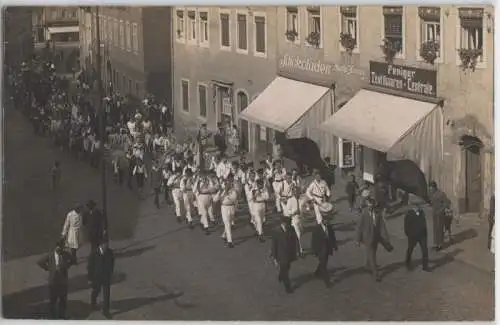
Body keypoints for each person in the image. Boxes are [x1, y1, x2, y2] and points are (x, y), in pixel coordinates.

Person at [356, 198, 393, 282]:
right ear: (366, 205)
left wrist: (385, 237)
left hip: (376, 237)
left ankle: (368, 265)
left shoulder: (377, 213)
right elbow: (359, 227)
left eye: (371, 205)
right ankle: (376, 274)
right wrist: (357, 239)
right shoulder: (364, 214)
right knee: (372, 256)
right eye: (368, 205)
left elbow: (382, 226)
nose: (370, 206)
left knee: (373, 253)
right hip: (367, 238)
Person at [37, 239, 74, 319]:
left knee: (63, 301)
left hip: (63, 282)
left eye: (61, 248)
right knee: (53, 301)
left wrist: (66, 266)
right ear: (56, 247)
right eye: (58, 248)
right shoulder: (50, 255)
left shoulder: (65, 254)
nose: (59, 250)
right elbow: (40, 262)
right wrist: (48, 268)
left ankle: (61, 316)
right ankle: (53, 318)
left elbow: (72, 260)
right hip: (53, 282)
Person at [270, 216, 299, 294]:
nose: (288, 225)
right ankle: (288, 287)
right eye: (287, 224)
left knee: (287, 267)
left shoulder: (291, 229)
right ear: (283, 223)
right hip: (281, 255)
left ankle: (281, 275)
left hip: (289, 253)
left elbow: (295, 240)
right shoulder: (276, 231)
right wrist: (274, 257)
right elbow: (274, 245)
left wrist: (297, 250)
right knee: (286, 271)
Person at [310, 215, 338, 287]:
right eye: (326, 220)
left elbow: (332, 237)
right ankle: (327, 282)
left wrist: (335, 246)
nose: (328, 222)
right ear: (322, 220)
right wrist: (314, 251)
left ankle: (317, 273)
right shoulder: (317, 229)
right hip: (320, 250)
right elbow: (314, 241)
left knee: (324, 263)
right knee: (324, 266)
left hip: (327, 249)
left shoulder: (329, 227)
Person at [90, 241, 114, 319]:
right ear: (101, 245)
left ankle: (106, 310)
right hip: (97, 277)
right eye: (105, 245)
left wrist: (110, 272)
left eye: (107, 245)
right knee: (96, 290)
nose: (106, 246)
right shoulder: (94, 253)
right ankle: (93, 301)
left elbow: (112, 263)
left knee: (107, 293)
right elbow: (90, 266)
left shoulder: (110, 252)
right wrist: (90, 278)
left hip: (106, 276)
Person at [83, 200, 106, 282]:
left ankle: (98, 254)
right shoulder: (86, 214)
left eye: (91, 206)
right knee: (94, 246)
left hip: (97, 233)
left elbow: (102, 221)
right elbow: (84, 222)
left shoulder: (97, 213)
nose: (90, 208)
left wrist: (103, 230)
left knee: (97, 246)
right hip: (91, 234)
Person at [404, 204, 430, 272]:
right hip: (413, 235)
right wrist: (409, 234)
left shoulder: (421, 212)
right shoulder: (409, 214)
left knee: (425, 250)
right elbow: (406, 226)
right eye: (417, 206)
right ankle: (407, 261)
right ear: (413, 206)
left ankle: (425, 266)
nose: (419, 207)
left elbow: (424, 223)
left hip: (422, 235)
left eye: (419, 206)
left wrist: (425, 233)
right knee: (410, 249)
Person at [429, 181, 451, 251]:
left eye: (431, 188)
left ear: (434, 187)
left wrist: (441, 210)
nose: (430, 189)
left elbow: (447, 202)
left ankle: (440, 244)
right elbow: (431, 202)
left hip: (440, 214)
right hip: (434, 213)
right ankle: (436, 244)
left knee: (440, 229)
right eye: (430, 188)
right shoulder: (432, 194)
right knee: (435, 229)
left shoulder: (441, 194)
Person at [284, 187, 304, 254]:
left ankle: (292, 246)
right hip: (294, 219)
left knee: (300, 233)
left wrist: (307, 209)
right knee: (298, 235)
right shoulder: (290, 200)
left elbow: (306, 205)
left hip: (300, 219)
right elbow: (286, 212)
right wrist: (294, 212)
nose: (296, 193)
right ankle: (300, 250)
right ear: (293, 193)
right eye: (295, 192)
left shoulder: (302, 199)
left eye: (297, 191)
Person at [220, 177, 238, 248]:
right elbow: (216, 199)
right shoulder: (222, 191)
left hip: (231, 207)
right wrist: (223, 192)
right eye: (226, 184)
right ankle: (230, 241)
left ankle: (224, 235)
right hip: (224, 208)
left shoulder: (233, 191)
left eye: (228, 184)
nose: (227, 185)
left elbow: (234, 199)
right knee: (227, 224)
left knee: (229, 223)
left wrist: (227, 193)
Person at [194, 171, 213, 235]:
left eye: (204, 175)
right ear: (200, 176)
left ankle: (202, 222)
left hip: (208, 197)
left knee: (207, 212)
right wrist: (198, 184)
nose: (203, 177)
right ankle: (206, 228)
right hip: (201, 197)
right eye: (202, 176)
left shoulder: (209, 181)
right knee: (204, 213)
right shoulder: (198, 182)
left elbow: (212, 188)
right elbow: (194, 190)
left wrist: (208, 188)